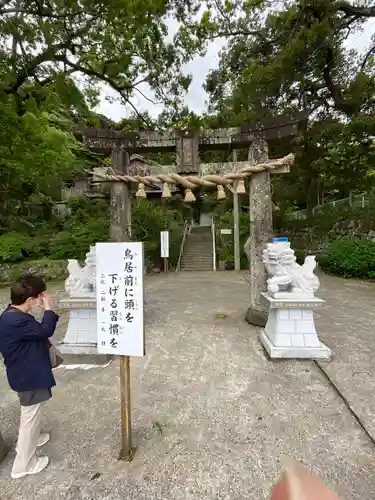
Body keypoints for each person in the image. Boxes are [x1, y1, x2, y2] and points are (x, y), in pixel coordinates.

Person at [0, 274, 59, 479]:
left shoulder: (11, 313)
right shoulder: (16, 319)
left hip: (24, 372)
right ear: (30, 300)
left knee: (31, 413)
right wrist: (49, 308)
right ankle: (23, 464)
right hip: (28, 375)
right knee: (30, 416)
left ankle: (32, 439)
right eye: (40, 296)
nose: (42, 298)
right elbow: (45, 330)